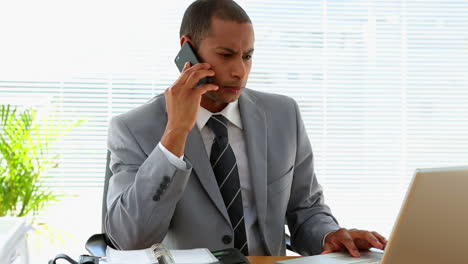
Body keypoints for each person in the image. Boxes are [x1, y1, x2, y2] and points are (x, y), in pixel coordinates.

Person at [105, 0, 387, 257]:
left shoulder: (283, 115)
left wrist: (330, 235)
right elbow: (129, 239)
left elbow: (306, 209)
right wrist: (175, 133)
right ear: (187, 48)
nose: (240, 70)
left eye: (248, 56)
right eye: (226, 55)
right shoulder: (134, 128)